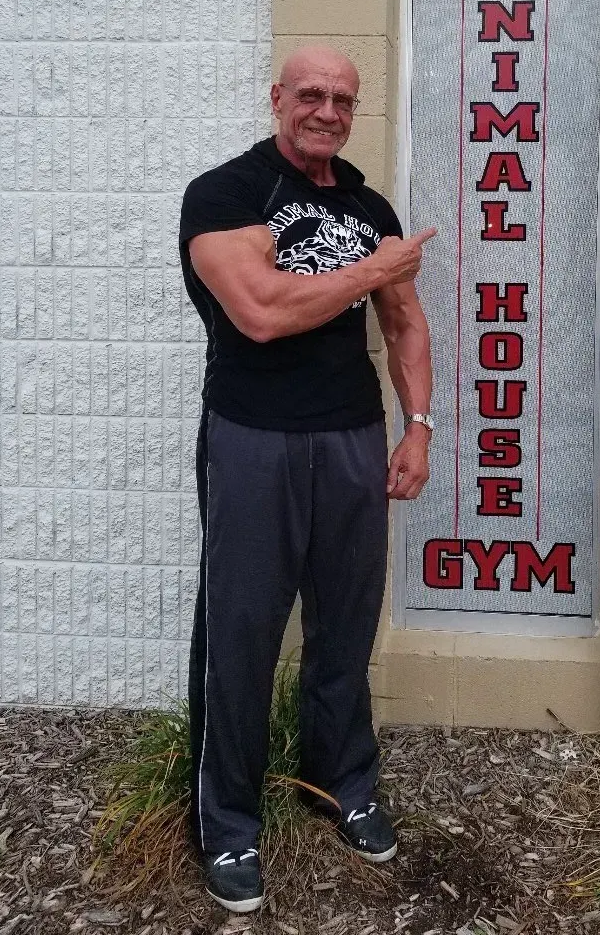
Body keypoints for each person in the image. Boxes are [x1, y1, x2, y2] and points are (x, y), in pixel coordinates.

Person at [178, 44, 436, 914]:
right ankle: (228, 823)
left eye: (345, 100)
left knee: (345, 626)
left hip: (355, 439)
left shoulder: (368, 205)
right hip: (254, 439)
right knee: (243, 632)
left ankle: (343, 781)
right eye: (312, 95)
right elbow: (259, 312)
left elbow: (405, 324)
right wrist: (371, 269)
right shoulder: (227, 193)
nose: (328, 111)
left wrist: (420, 427)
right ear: (278, 97)